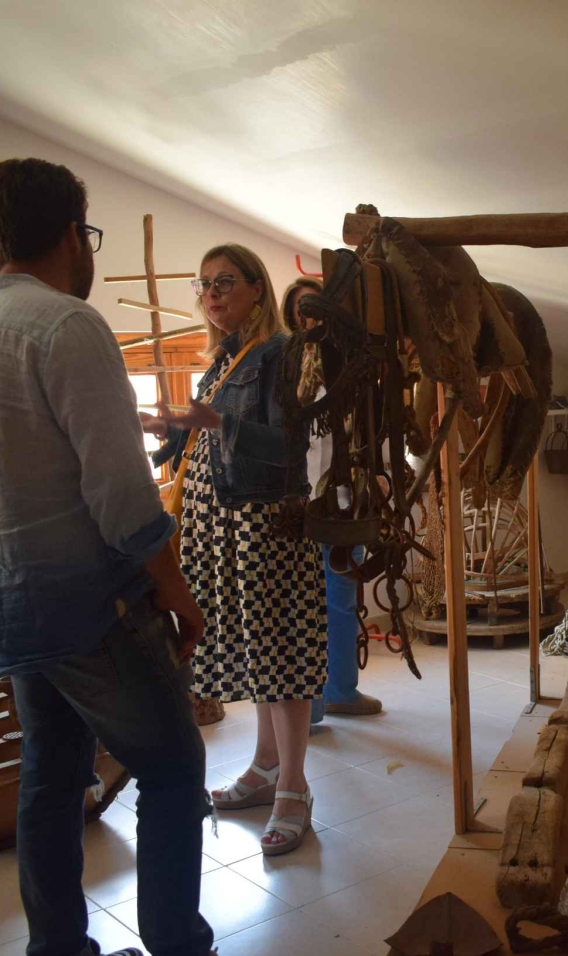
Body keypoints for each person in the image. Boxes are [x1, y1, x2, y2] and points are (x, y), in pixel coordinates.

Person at [0, 159, 291, 956]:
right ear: (70, 236)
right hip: (84, 599)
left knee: (51, 776)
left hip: (0, 600)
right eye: (86, 236)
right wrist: (178, 592)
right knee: (172, 767)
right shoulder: (66, 324)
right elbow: (122, 498)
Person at [143, 245, 326, 856]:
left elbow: (288, 448)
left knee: (280, 653)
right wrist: (173, 432)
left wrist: (217, 424)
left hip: (262, 525)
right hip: (222, 526)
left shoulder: (278, 354)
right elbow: (207, 440)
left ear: (256, 288)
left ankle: (294, 788)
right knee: (256, 653)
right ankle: (265, 766)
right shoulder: (225, 358)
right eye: (204, 285)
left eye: (224, 282)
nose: (212, 295)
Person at [280, 278, 383, 721]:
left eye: (316, 308)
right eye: (301, 309)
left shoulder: (350, 364)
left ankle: (340, 689)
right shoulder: (286, 365)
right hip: (300, 503)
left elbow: (370, 426)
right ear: (291, 316)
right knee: (303, 605)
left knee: (340, 598)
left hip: (343, 500)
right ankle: (313, 705)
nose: (309, 317)